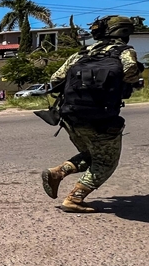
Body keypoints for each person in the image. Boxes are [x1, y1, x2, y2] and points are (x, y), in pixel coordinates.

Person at [41, 15, 141, 212]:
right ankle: (74, 198)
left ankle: (58, 172)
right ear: (124, 32)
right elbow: (130, 72)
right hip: (100, 119)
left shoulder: (82, 54)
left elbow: (55, 79)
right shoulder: (125, 52)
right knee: (105, 162)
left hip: (69, 116)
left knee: (91, 154)